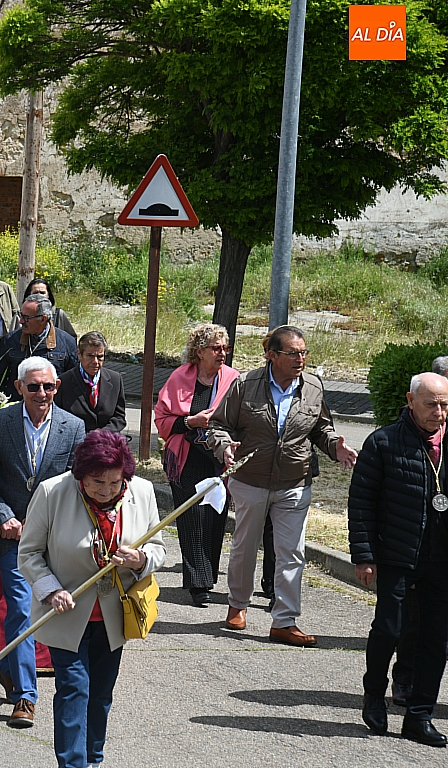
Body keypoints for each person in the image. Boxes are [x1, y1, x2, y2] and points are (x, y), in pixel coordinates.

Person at [19, 429, 167, 768]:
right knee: (74, 689)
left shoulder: (142, 491)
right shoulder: (53, 492)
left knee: (100, 695)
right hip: (66, 612)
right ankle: (73, 764)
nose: (106, 490)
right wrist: (51, 589)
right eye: (97, 482)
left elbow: (158, 549)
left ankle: (93, 759)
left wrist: (140, 560)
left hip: (115, 615)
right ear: (80, 475)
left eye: (115, 482)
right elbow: (28, 554)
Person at [209, 325, 357, 645]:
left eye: (303, 353)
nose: (300, 359)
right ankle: (237, 604)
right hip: (250, 479)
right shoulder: (245, 385)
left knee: (291, 552)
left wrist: (336, 447)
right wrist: (224, 446)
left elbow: (321, 429)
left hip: (294, 481)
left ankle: (285, 620)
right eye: (292, 353)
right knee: (245, 546)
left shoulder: (313, 387)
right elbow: (217, 425)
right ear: (271, 355)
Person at [0, 356, 86, 728]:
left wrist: (50, 523)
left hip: (55, 537)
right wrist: (1, 515)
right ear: (19, 387)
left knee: (42, 611)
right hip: (14, 539)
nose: (42, 393)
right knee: (23, 609)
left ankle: (8, 668)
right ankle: (26, 696)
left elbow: (77, 485)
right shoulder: (0, 422)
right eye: (34, 386)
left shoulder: (73, 427)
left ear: (57, 387)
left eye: (48, 386)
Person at [349, 372, 448, 745]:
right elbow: (361, 503)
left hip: (441, 558)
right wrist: (364, 555)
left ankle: (419, 716)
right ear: (410, 401)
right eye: (431, 404)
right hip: (396, 553)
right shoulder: (383, 442)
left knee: (436, 639)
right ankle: (374, 693)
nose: (439, 413)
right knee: (389, 629)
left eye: (445, 405)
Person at [153, 323, 239, 606]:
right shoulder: (180, 377)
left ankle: (208, 575)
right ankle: (197, 583)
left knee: (214, 518)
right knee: (191, 519)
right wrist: (192, 421)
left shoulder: (234, 380)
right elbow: (162, 419)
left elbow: (241, 418)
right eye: (216, 348)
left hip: (218, 460)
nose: (222, 353)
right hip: (186, 458)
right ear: (199, 351)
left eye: (225, 347)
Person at [0, 293, 79, 398]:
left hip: (50, 403)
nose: (21, 321)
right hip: (17, 403)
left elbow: (73, 382)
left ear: (43, 319)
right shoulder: (10, 340)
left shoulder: (67, 343)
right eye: (21, 315)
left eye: (26, 318)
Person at [56, 331, 127, 433]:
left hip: (106, 439)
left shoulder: (115, 380)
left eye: (100, 357)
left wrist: (100, 435)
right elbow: (58, 418)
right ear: (79, 354)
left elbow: (119, 418)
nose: (95, 362)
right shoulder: (64, 382)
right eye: (90, 356)